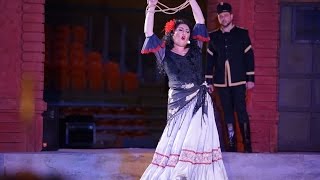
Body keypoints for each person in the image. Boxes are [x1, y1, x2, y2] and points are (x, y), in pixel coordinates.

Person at [140, 0, 228, 179]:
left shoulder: (196, 47)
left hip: (199, 100)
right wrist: (151, 7)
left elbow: (201, 22)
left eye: (187, 31)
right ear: (171, 33)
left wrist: (192, 1)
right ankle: (178, 174)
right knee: (178, 139)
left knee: (196, 137)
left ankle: (193, 174)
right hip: (178, 101)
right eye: (180, 30)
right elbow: (148, 33)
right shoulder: (164, 52)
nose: (184, 33)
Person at [206, 2, 255, 153]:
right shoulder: (213, 36)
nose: (223, 18)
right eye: (221, 16)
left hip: (239, 79)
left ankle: (247, 145)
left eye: (226, 15)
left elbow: (249, 57)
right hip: (221, 81)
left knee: (241, 110)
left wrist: (250, 78)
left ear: (231, 16)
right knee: (226, 112)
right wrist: (208, 80)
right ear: (219, 18)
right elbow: (209, 60)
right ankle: (232, 145)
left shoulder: (242, 33)